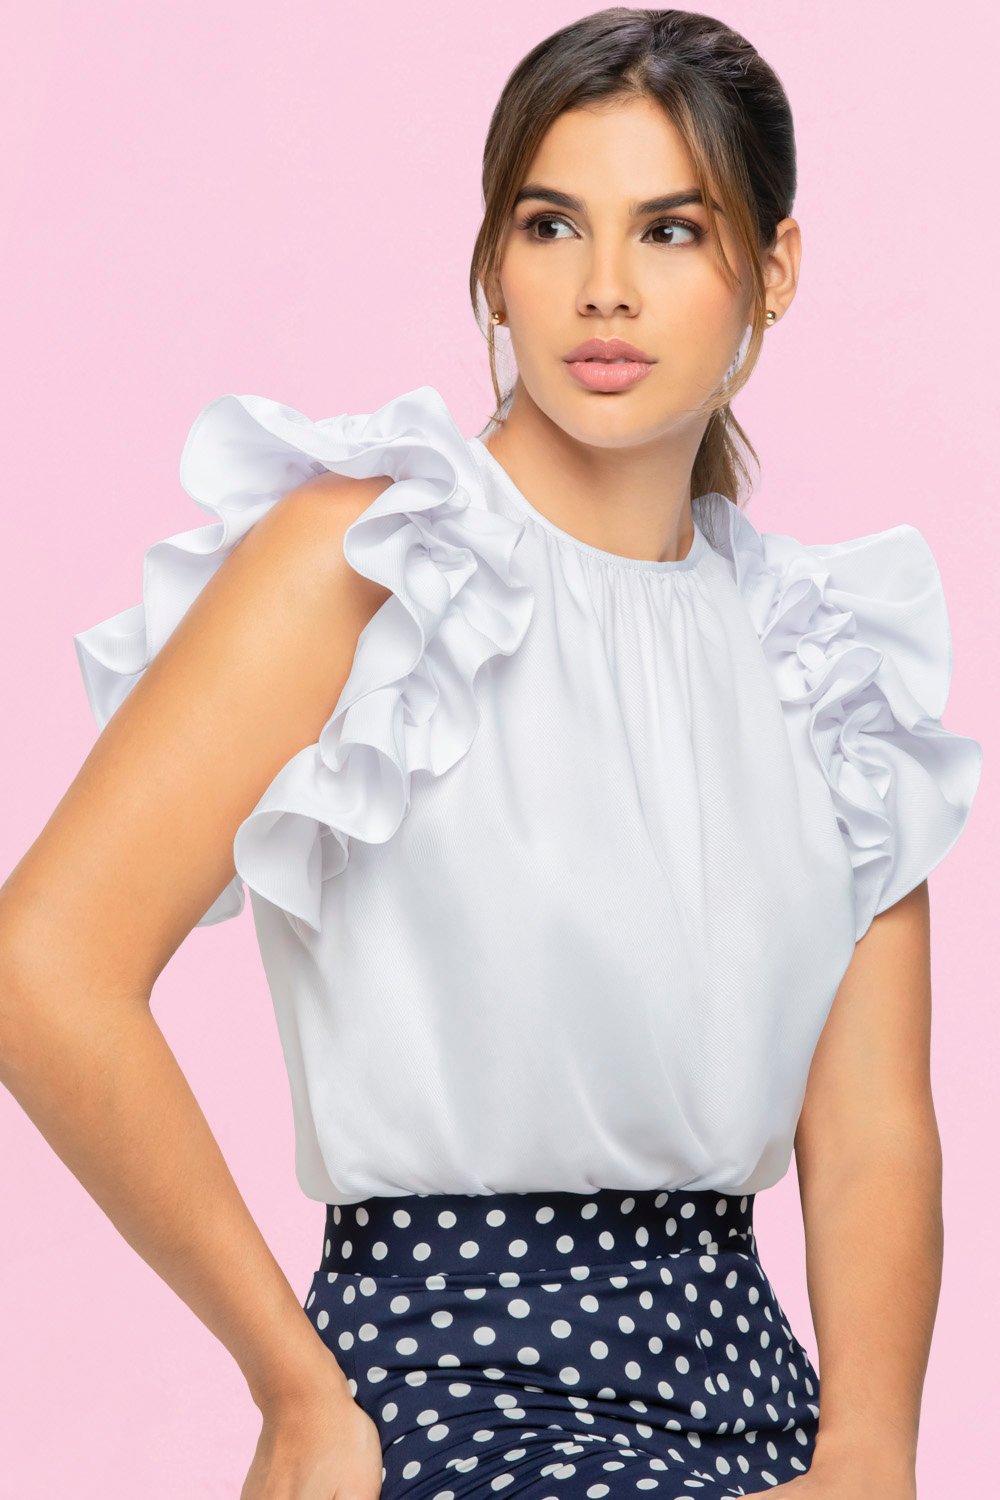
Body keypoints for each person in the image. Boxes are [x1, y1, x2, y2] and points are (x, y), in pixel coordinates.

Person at [0, 9, 982, 1499]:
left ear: (773, 269)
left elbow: (870, 1136)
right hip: (442, 1389)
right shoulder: (369, 561)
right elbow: (45, 966)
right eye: (550, 224)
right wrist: (295, 1390)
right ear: (494, 261)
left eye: (670, 230)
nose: (603, 288)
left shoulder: (824, 660)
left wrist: (868, 1457)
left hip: (757, 1404)